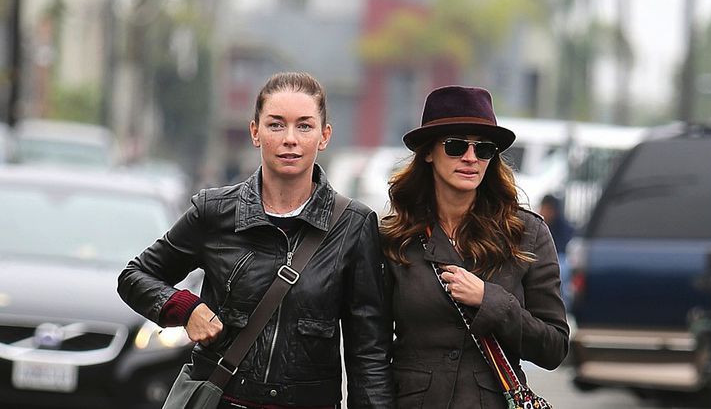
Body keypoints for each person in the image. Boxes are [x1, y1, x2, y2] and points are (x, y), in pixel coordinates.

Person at [118, 72, 393, 409]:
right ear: (255, 132)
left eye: (304, 126)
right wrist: (186, 308)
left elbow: (368, 355)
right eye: (276, 125)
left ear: (324, 136)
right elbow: (135, 276)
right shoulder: (214, 212)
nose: (290, 139)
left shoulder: (353, 225)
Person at [380, 85, 569, 408]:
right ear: (428, 152)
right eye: (455, 146)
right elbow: (370, 349)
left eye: (483, 149)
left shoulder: (527, 233)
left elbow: (554, 347)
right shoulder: (395, 237)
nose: (470, 158)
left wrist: (490, 300)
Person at [538, 193, 575, 310]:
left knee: (562, 269)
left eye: (547, 209)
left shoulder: (565, 229)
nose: (544, 212)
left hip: (560, 262)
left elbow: (564, 251)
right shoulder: (537, 226)